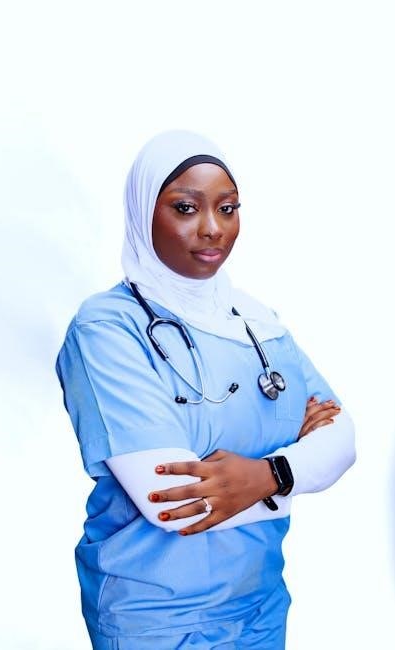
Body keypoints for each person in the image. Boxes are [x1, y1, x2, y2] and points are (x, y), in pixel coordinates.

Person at [56, 130, 355, 649]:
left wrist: (267, 476)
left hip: (258, 604)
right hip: (154, 614)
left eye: (228, 208)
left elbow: (343, 441)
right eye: (186, 208)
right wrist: (297, 473)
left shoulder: (259, 324)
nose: (213, 228)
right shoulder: (107, 329)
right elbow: (175, 505)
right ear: (143, 213)